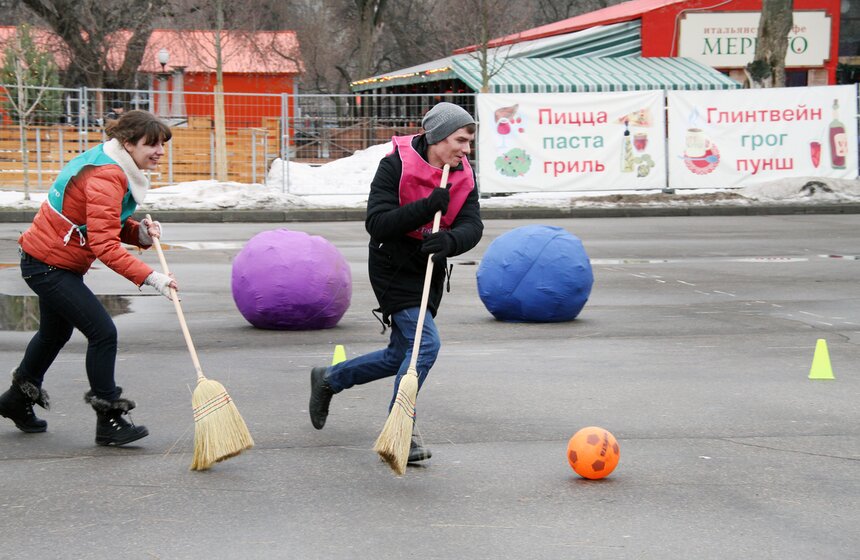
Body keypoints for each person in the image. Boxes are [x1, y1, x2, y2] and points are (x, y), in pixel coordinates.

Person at [308, 101, 484, 464]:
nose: (467, 150)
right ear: (437, 137)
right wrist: (426, 206)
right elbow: (377, 223)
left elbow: (472, 225)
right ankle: (401, 427)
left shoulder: (462, 174)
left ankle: (330, 378)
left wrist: (450, 242)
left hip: (429, 269)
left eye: (469, 142)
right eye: (461, 140)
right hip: (392, 266)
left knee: (400, 354)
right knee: (426, 345)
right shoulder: (394, 165)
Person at [0, 110, 177, 446]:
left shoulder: (111, 164)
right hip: (47, 264)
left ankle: (15, 399)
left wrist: (138, 232)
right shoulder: (107, 175)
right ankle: (109, 419)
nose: (159, 151)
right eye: (151, 144)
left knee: (54, 332)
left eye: (162, 145)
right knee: (102, 332)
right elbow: (104, 244)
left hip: (51, 259)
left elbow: (100, 223)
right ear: (127, 143)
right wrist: (153, 278)